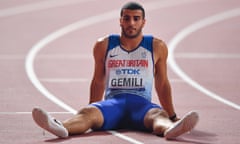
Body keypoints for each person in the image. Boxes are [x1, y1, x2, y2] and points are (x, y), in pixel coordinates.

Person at [32, 2, 199, 140]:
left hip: (141, 106)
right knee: (87, 113)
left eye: (136, 19)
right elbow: (98, 80)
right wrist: (93, 107)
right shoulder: (104, 45)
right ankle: (61, 127)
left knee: (158, 115)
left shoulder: (156, 46)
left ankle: (171, 129)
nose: (131, 23)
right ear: (120, 21)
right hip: (113, 104)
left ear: (143, 22)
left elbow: (162, 83)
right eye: (127, 18)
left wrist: (171, 114)